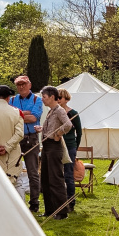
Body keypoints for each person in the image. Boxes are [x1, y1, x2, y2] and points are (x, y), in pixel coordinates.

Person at [9, 75, 44, 213]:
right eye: (19, 85)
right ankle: (14, 200)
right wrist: (25, 114)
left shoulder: (37, 99)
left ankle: (34, 203)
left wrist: (17, 115)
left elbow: (34, 117)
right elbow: (10, 118)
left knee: (32, 172)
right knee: (11, 170)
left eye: (24, 84)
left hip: (31, 138)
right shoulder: (12, 99)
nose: (21, 87)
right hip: (15, 138)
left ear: (29, 85)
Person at [38, 86, 72, 219]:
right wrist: (42, 129)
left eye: (44, 97)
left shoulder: (59, 110)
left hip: (54, 147)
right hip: (46, 147)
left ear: (52, 97)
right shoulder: (51, 111)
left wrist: (58, 133)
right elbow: (53, 126)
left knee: (55, 179)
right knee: (45, 179)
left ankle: (62, 212)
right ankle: (50, 210)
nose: (43, 100)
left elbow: (68, 124)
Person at [58, 88, 83, 212]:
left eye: (60, 98)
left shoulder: (73, 113)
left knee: (68, 175)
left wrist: (75, 147)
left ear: (66, 99)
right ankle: (59, 201)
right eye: (56, 97)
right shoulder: (54, 112)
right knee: (57, 174)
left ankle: (70, 202)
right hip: (57, 146)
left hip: (69, 146)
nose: (58, 100)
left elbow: (79, 132)